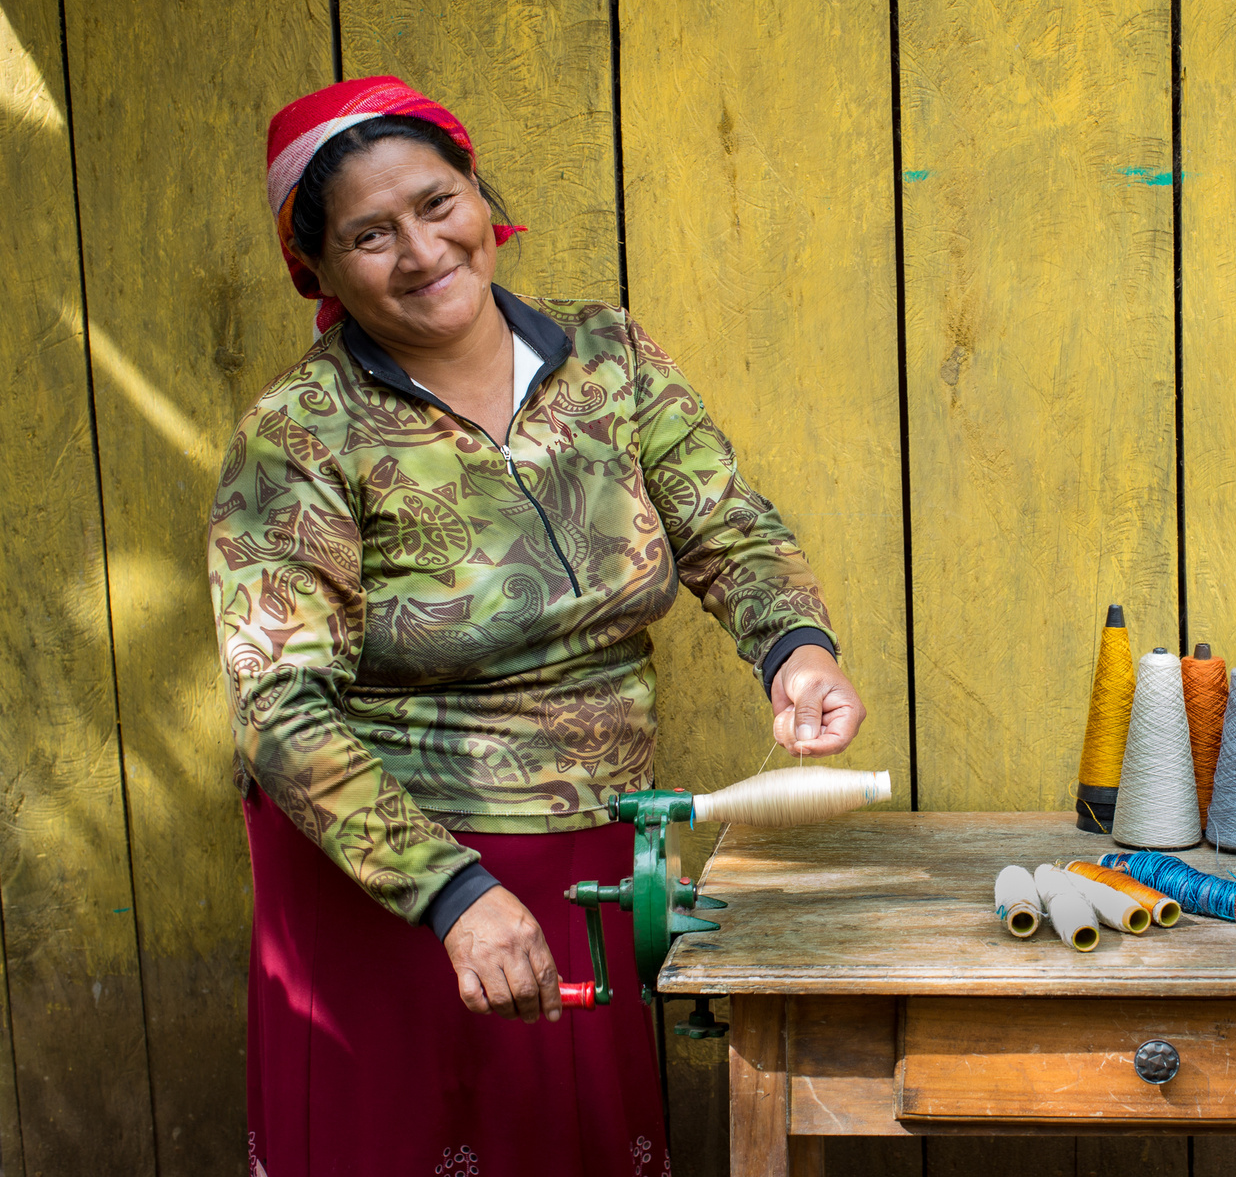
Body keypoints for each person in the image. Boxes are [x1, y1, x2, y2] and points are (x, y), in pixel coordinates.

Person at [211, 75, 866, 1176]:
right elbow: (280, 706)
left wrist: (794, 650)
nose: (421, 251)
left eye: (437, 202)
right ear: (313, 268)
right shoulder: (300, 437)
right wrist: (454, 895)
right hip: (395, 872)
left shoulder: (607, 358)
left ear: (481, 196)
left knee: (566, 1139)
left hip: (591, 850)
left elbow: (728, 527)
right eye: (370, 234)